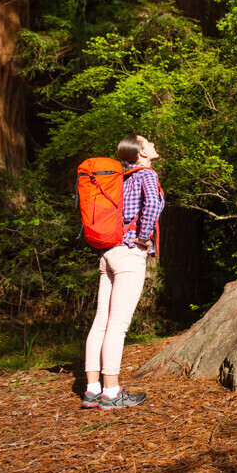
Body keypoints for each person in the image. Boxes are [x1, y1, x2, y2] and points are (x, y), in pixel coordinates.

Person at [81, 134, 165, 410]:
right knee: (118, 326)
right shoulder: (147, 175)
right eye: (147, 142)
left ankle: (92, 390)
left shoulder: (122, 178)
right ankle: (112, 392)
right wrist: (143, 237)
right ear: (141, 151)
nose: (152, 143)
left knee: (101, 321)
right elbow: (152, 204)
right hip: (129, 254)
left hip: (108, 254)